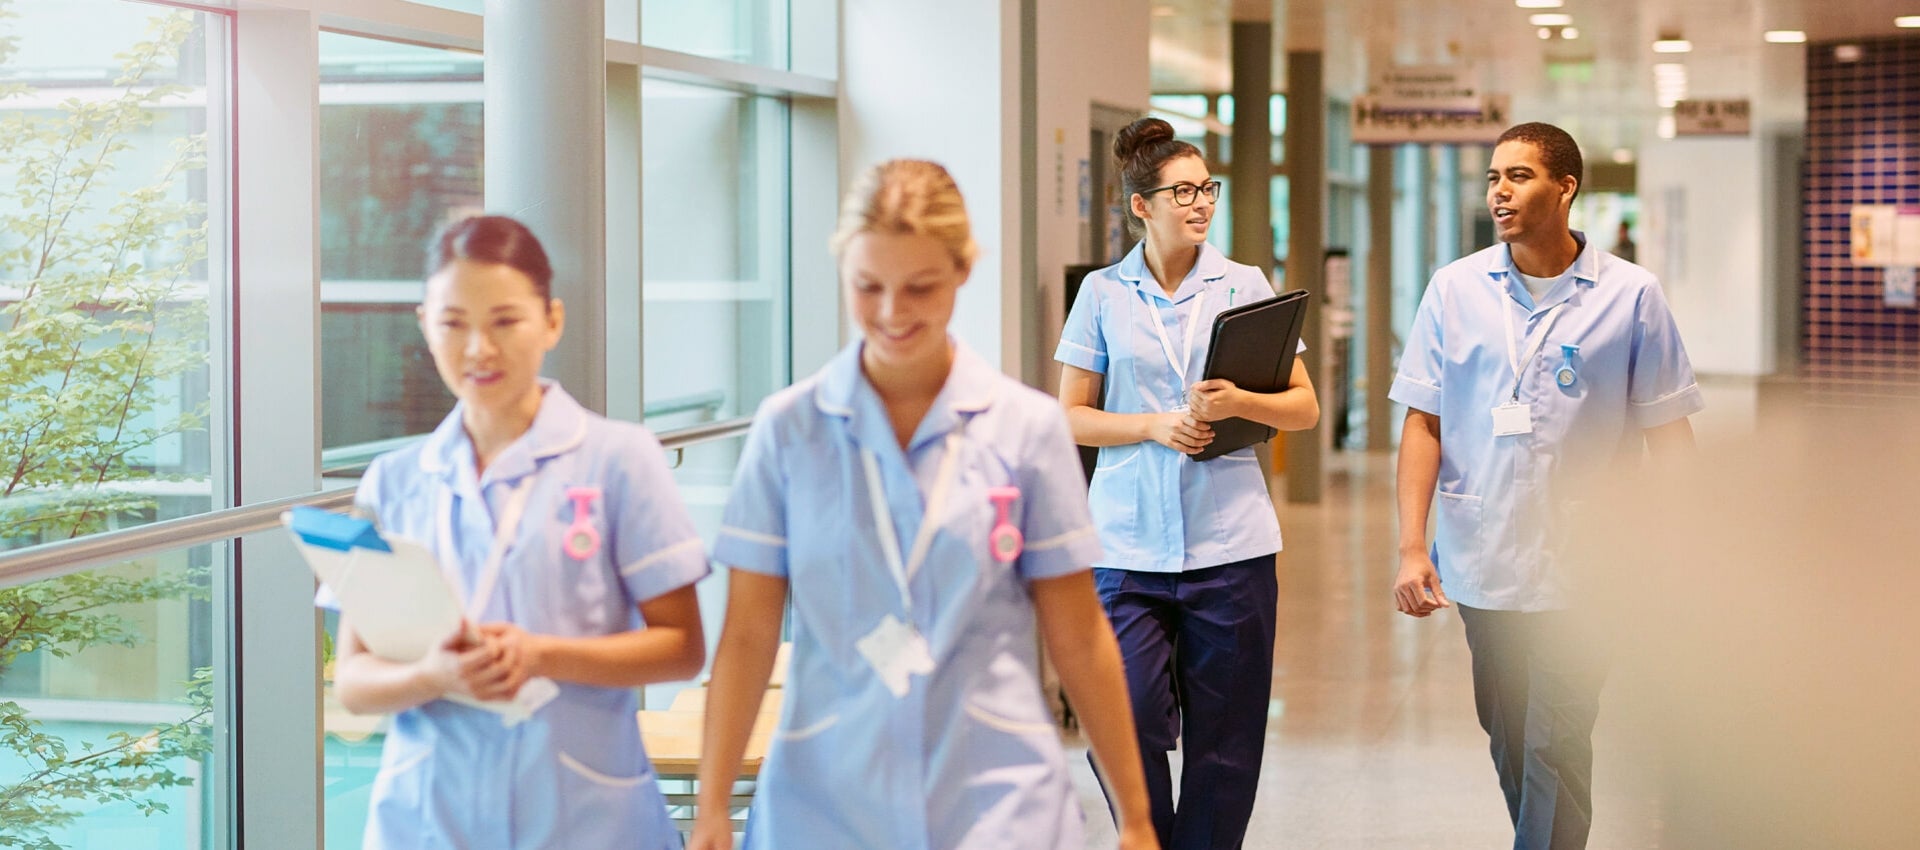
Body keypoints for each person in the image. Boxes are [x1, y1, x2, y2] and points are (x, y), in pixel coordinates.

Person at [687, 159, 1158, 850]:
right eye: (867, 286)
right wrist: (711, 806)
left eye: (920, 287)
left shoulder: (1024, 429)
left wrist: (1137, 818)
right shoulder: (790, 429)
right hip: (826, 800)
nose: (891, 312)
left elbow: (1079, 634)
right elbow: (749, 634)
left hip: (996, 798)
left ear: (963, 269)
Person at [323, 215, 709, 849]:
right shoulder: (390, 483)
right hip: (428, 820)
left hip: (581, 817)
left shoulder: (619, 458)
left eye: (504, 321)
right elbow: (356, 683)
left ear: (551, 321)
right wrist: (434, 677)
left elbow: (681, 647)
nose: (479, 349)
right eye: (454, 324)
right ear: (424, 325)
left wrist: (539, 655)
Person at [1388, 122, 1703, 850]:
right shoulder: (1454, 290)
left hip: (1589, 566)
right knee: (1509, 737)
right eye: (1494, 176)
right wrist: (1411, 547)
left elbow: (1670, 439)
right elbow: (1423, 425)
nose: (1500, 191)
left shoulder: (1631, 297)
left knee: (1555, 745)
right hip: (1481, 556)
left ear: (1566, 187)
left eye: (1520, 176)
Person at [1055, 117, 1320, 849]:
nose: (1201, 204)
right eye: (1183, 192)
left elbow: (1303, 407)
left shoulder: (1245, 286)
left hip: (1230, 544)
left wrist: (1238, 403)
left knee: (1228, 742)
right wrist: (1151, 425)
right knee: (1126, 712)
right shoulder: (1104, 294)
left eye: (1208, 188)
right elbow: (1070, 417)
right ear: (1141, 205)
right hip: (1126, 547)